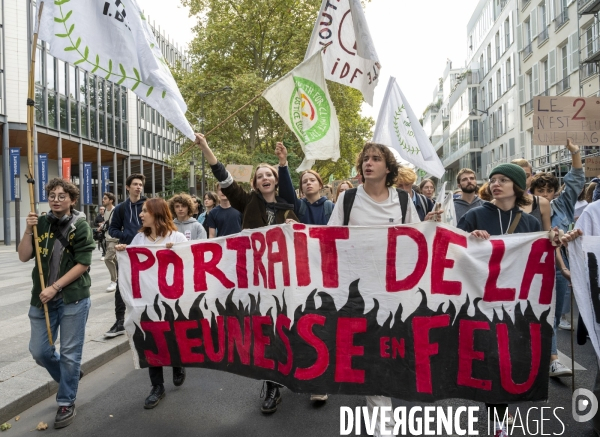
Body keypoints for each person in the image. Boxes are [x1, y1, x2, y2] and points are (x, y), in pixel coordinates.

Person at [458, 163, 580, 437]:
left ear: (516, 186)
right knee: (489, 353)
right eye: (492, 180)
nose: (495, 184)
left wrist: (557, 243)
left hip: (515, 301)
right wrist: (470, 237)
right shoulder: (475, 215)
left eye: (503, 179)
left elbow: (539, 254)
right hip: (481, 298)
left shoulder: (530, 222)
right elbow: (454, 249)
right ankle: (498, 415)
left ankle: (501, 408)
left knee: (509, 353)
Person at [328, 142, 441, 437]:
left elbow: (415, 240)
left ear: (388, 168)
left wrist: (428, 225)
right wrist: (295, 232)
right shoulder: (348, 199)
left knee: (387, 354)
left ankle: (383, 415)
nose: (369, 163)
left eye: (376, 159)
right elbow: (329, 238)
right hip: (357, 293)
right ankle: (384, 427)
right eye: (365, 159)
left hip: (394, 292)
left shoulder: (403, 201)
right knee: (372, 357)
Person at [194, 132, 298, 414]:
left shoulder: (289, 204)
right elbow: (224, 179)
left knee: (284, 325)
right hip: (256, 277)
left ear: (275, 181)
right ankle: (273, 385)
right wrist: (206, 147)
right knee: (265, 327)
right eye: (260, 175)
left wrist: (283, 162)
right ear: (254, 183)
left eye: (270, 174)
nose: (265, 177)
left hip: (285, 278)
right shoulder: (247, 202)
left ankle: (291, 369)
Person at [17, 178, 95, 429]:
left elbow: (84, 263)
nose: (56, 199)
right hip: (41, 299)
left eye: (62, 196)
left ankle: (66, 401)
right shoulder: (40, 222)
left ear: (72, 200)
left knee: (71, 355)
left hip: (73, 298)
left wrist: (55, 287)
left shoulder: (80, 226)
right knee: (39, 351)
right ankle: (69, 378)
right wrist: (28, 229)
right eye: (52, 195)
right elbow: (23, 256)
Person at [115, 198, 188, 409]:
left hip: (172, 301)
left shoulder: (178, 237)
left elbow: (190, 265)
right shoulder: (139, 238)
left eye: (145, 211)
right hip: (147, 301)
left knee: (171, 337)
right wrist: (124, 251)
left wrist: (178, 251)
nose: (141, 214)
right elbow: (134, 264)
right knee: (151, 340)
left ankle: (177, 363)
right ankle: (157, 387)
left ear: (156, 213)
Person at [529, 139, 585, 377]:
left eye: (548, 190)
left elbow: (575, 180)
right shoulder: (525, 209)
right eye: (539, 190)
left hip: (558, 269)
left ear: (554, 192)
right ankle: (543, 357)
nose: (544, 194)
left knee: (553, 314)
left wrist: (575, 153)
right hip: (530, 270)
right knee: (532, 314)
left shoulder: (562, 205)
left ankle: (550, 357)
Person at [105, 173, 147, 338]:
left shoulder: (148, 205)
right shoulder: (121, 208)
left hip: (146, 252)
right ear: (128, 187)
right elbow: (112, 229)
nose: (138, 187)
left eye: (141, 185)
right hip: (127, 251)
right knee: (121, 287)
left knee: (145, 286)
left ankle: (146, 320)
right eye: (135, 184)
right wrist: (126, 236)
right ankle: (119, 322)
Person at [276, 142, 334, 226]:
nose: (308, 183)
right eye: (305, 182)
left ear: (320, 185)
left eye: (312, 180)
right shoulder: (299, 207)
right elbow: (286, 190)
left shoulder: (331, 207)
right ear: (301, 188)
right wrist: (282, 162)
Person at [102, 192, 118, 292]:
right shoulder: (105, 211)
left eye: (105, 198)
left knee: (107, 259)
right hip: (107, 238)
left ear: (111, 200)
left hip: (114, 239)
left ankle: (114, 281)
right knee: (116, 260)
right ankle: (121, 277)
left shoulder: (115, 210)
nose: (103, 200)